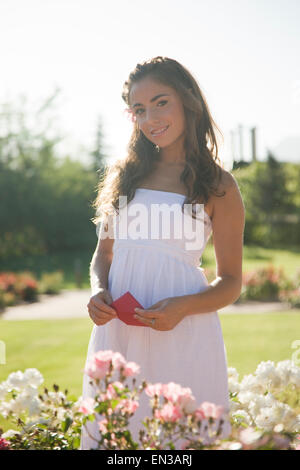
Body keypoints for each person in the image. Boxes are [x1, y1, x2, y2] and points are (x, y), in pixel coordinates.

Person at [79, 56, 245, 450]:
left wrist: (182, 307)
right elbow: (103, 254)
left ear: (188, 100)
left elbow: (232, 281)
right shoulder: (124, 176)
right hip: (116, 332)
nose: (150, 117)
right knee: (115, 438)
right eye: (139, 109)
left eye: (160, 102)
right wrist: (98, 289)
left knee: (182, 442)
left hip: (184, 332)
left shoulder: (219, 184)